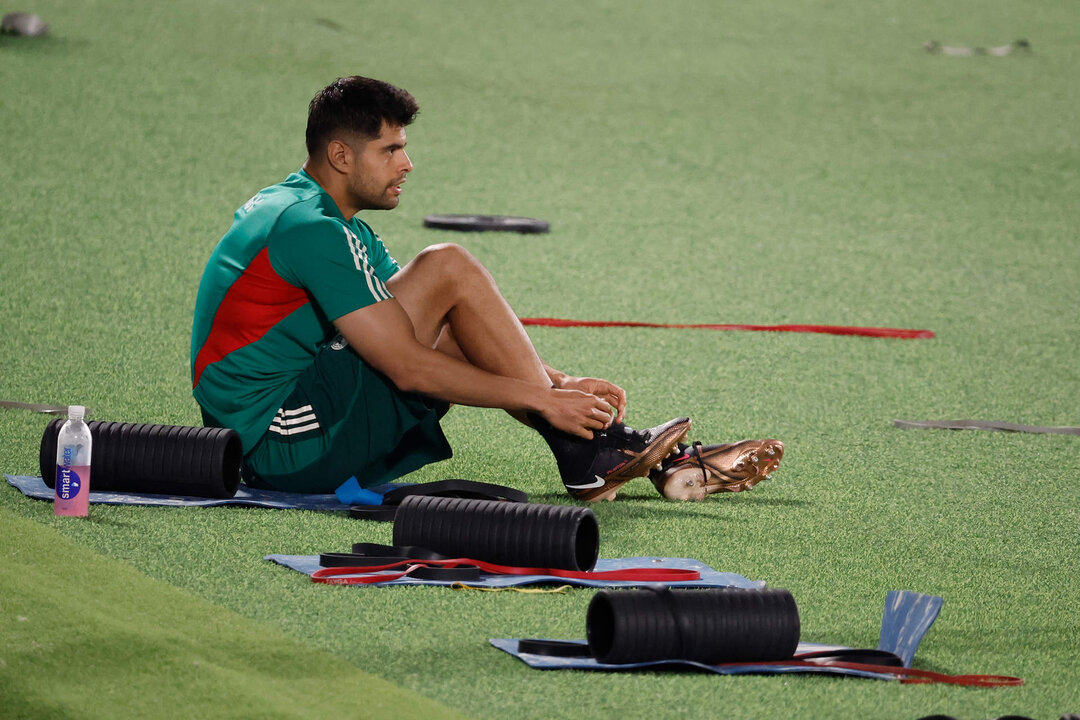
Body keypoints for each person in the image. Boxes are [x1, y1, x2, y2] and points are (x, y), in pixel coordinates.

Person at [190, 76, 782, 502]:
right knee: (447, 265)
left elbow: (432, 327)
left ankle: (599, 449)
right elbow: (408, 368)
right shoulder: (313, 230)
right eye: (390, 149)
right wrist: (547, 400)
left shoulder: (312, 212)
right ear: (341, 155)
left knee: (443, 292)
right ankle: (588, 450)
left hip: (285, 418)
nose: (407, 163)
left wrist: (559, 382)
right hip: (279, 443)